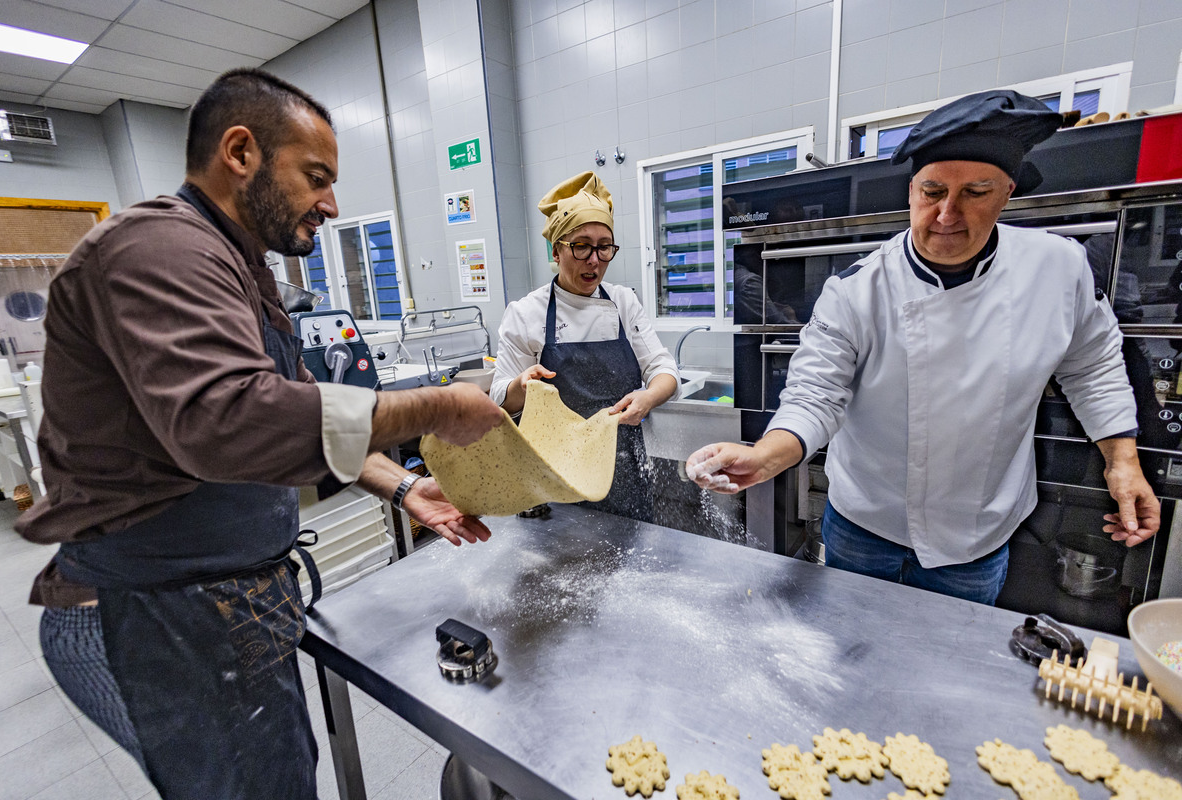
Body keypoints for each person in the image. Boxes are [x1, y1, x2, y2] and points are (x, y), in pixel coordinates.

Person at [15, 68, 505, 800]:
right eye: (316, 177)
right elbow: (231, 421)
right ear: (240, 153)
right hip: (160, 616)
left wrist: (403, 485)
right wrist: (438, 406)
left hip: (221, 608)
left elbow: (293, 410)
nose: (331, 205)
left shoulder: (240, 270)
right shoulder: (157, 250)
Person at [686, 90, 1160, 605]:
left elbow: (1093, 366)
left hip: (975, 538)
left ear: (1006, 194)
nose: (947, 214)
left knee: (948, 670)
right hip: (865, 525)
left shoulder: (1058, 268)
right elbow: (815, 396)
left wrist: (1122, 462)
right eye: (932, 191)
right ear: (911, 190)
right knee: (851, 651)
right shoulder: (858, 289)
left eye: (975, 192)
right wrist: (762, 459)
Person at [490, 171, 679, 522]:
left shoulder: (623, 302)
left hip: (623, 471)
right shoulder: (526, 313)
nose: (595, 260)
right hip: (552, 478)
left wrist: (649, 397)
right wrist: (521, 385)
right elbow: (499, 397)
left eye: (604, 245)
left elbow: (664, 370)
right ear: (557, 250)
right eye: (581, 245)